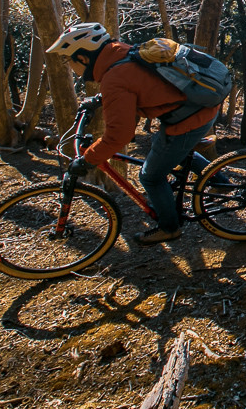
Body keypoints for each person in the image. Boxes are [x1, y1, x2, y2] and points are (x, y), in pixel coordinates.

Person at [46, 22, 220, 245]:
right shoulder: (125, 52)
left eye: (68, 60)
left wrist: (88, 159)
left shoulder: (114, 77)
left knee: (150, 176)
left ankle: (170, 228)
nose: (70, 66)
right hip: (198, 106)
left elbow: (118, 135)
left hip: (191, 117)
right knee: (169, 149)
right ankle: (219, 180)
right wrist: (100, 100)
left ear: (83, 58)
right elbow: (140, 84)